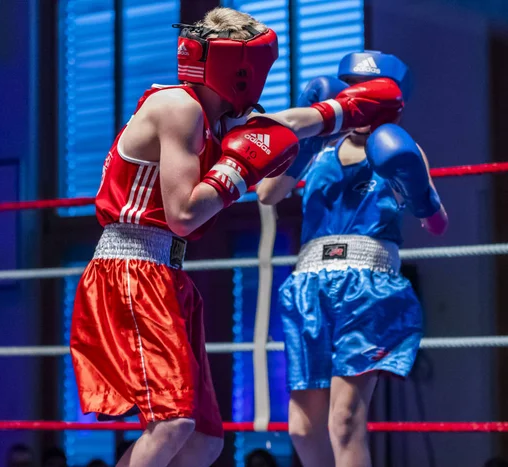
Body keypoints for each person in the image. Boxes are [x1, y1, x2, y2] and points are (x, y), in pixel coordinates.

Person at [70, 6, 404, 465]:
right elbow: (185, 214)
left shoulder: (219, 118)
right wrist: (238, 169)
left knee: (203, 440)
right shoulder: (178, 107)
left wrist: (341, 110)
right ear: (244, 67)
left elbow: (285, 127)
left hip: (165, 274)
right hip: (130, 269)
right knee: (172, 423)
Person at [257, 51, 448, 467]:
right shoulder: (321, 148)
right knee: (302, 429)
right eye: (353, 91)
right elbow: (267, 194)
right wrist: (304, 147)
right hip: (309, 285)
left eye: (370, 94)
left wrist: (416, 189)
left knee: (344, 420)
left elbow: (437, 225)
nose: (360, 101)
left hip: (368, 286)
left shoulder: (403, 151)